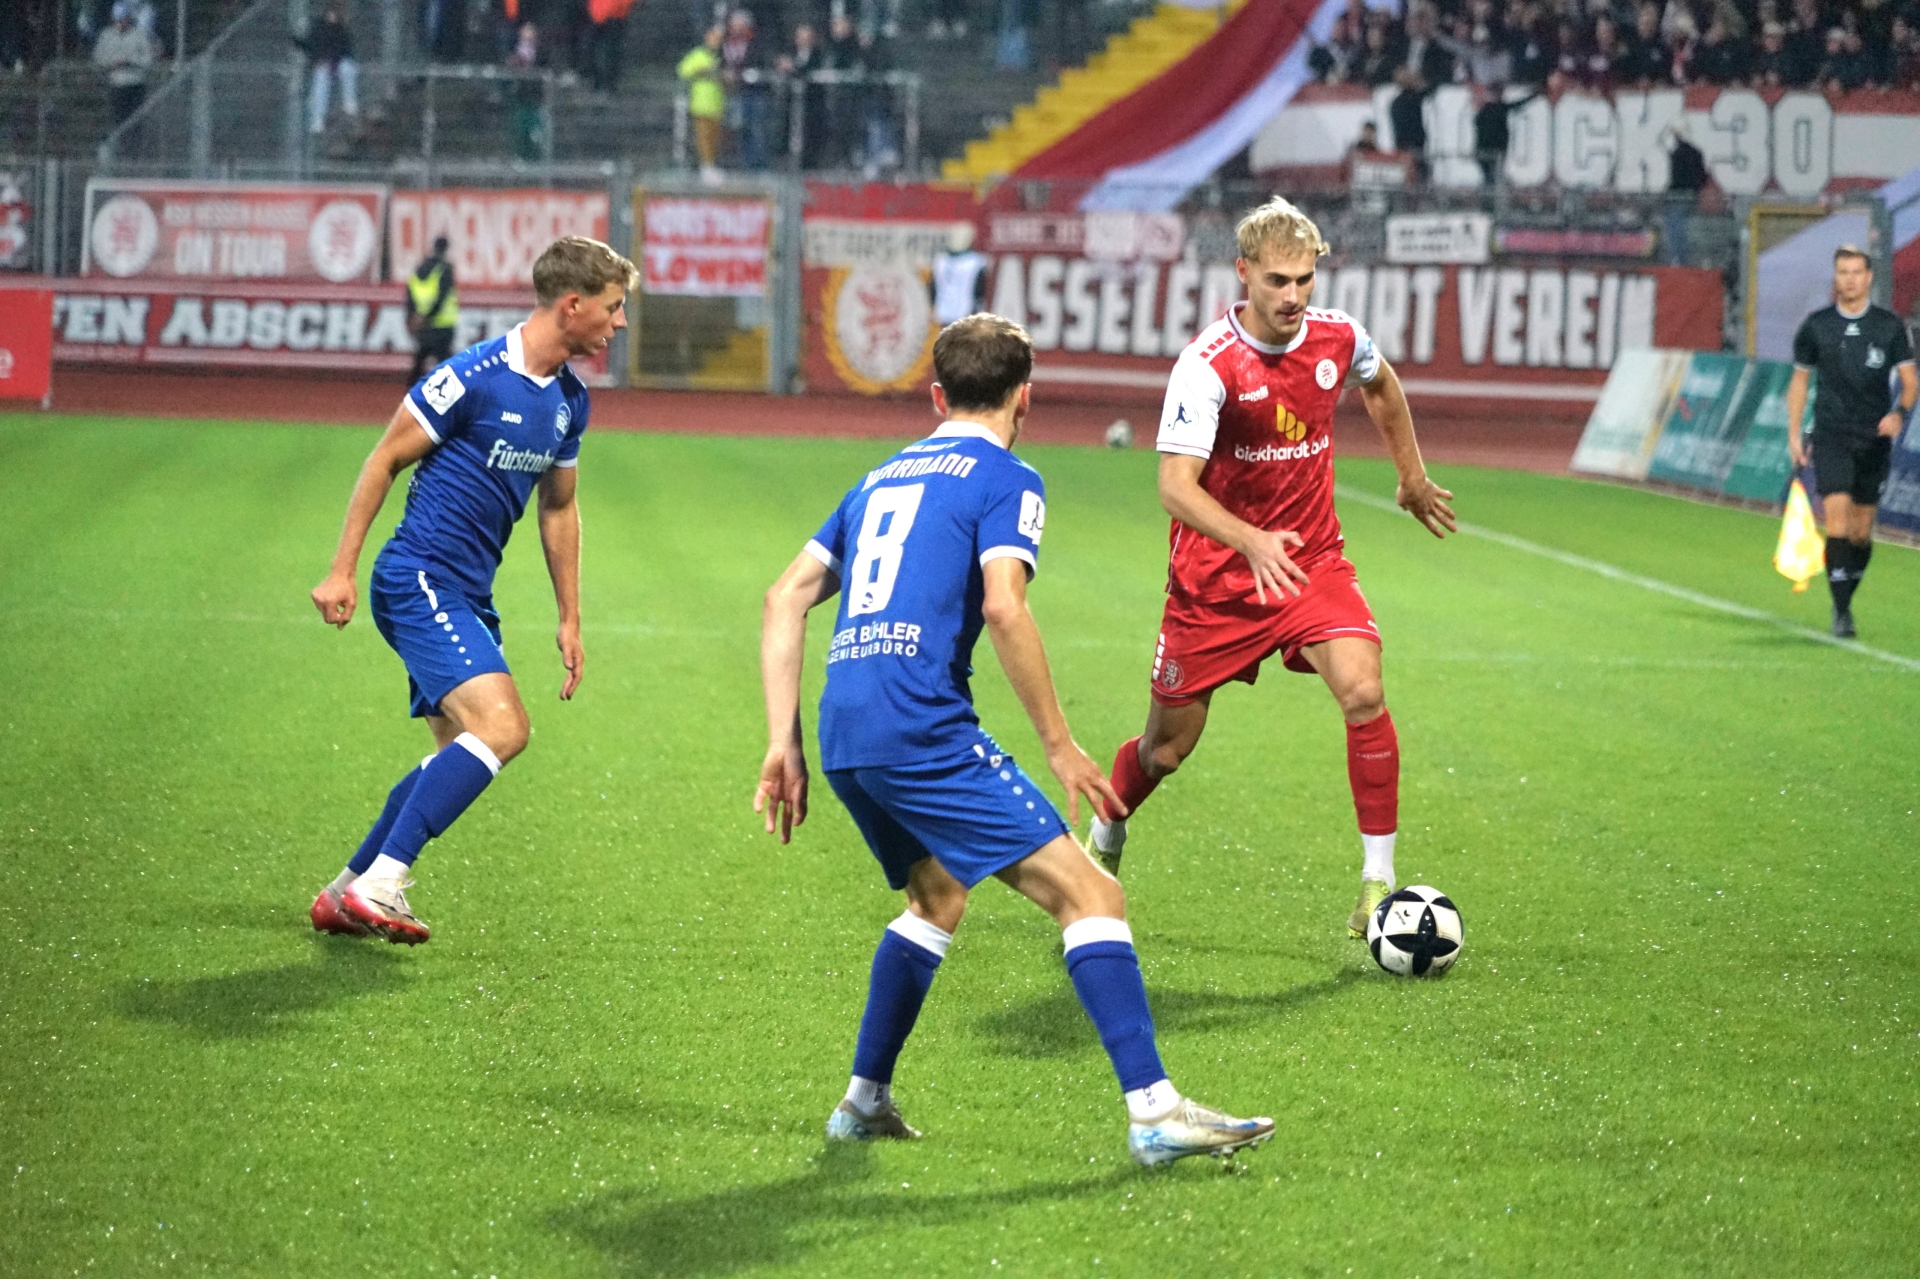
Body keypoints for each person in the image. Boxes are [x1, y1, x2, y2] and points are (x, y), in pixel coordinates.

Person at [755, 313, 1276, 1167]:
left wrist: (783, 740)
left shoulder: (877, 478)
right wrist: (1062, 745)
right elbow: (1004, 604)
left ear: (937, 395)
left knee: (936, 895)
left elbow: (784, 598)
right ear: (1024, 397)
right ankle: (1154, 1111)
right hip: (918, 726)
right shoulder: (1008, 476)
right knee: (1093, 896)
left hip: (844, 728)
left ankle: (863, 1101)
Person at [1085, 197, 1456, 942]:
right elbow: (1175, 487)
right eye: (1278, 280)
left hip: (1309, 562)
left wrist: (1411, 476)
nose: (1293, 296)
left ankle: (1377, 882)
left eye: (1305, 280)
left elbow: (1380, 384)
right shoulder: (1207, 365)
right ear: (1244, 272)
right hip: (1216, 583)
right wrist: (1251, 540)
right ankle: (1104, 837)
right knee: (1166, 750)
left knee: (1363, 690)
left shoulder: (1337, 336)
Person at [307, 237, 637, 943]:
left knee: (454, 751)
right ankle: (382, 883)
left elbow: (558, 508)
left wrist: (570, 616)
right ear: (571, 305)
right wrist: (342, 568)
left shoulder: (570, 401)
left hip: (466, 594)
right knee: (504, 728)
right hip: (419, 576)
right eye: (612, 307)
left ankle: (342, 893)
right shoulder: (471, 376)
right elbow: (384, 458)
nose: (619, 322)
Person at [1785, 246, 1919, 639]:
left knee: (1861, 532)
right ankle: (1842, 611)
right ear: (1836, 277)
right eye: (1843, 272)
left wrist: (1899, 413)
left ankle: (1844, 593)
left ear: (1869, 277)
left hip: (1873, 440)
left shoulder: (1889, 327)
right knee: (1838, 521)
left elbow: (1910, 383)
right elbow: (1800, 381)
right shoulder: (1817, 326)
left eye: (1857, 272)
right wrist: (1794, 432)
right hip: (1831, 436)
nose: (1850, 279)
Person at [298, 3, 359, 137]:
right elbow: (311, 47)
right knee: (321, 80)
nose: (333, 16)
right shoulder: (318, 28)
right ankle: (318, 119)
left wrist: (333, 61)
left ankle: (350, 102)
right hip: (323, 63)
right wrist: (319, 60)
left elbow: (345, 49)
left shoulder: (342, 30)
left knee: (348, 69)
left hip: (338, 61)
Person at [406, 235, 460, 384]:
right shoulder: (445, 269)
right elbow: (441, 298)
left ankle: (412, 394)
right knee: (446, 365)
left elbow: (410, 296)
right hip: (443, 326)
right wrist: (428, 317)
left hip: (422, 327)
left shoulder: (418, 269)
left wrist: (413, 318)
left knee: (419, 364)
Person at [93, 3, 155, 127]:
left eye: (123, 19)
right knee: (117, 119)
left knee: (136, 119)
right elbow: (99, 58)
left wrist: (131, 62)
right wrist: (112, 63)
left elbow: (148, 59)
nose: (121, 23)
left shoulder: (139, 34)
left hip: (135, 83)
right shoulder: (106, 35)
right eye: (118, 19)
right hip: (116, 83)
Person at [680, 24, 727, 184]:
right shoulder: (698, 54)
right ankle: (705, 167)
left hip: (717, 103)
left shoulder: (721, 57)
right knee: (703, 137)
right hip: (701, 103)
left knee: (715, 138)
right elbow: (683, 70)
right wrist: (702, 70)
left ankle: (711, 165)